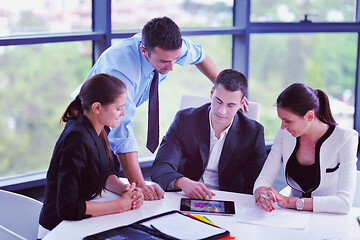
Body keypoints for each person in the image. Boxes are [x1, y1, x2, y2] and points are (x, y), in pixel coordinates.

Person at [72, 16, 224, 201]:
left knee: (115, 185)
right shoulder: (121, 71)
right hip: (90, 118)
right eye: (164, 62)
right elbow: (122, 133)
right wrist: (141, 186)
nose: (172, 67)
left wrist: (222, 89)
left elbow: (200, 55)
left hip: (113, 117)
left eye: (175, 59)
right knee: (92, 186)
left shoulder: (170, 48)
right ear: (144, 50)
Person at [38, 74, 144, 239]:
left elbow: (106, 173)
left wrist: (126, 191)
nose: (123, 113)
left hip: (81, 223)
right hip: (59, 229)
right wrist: (120, 205)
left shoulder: (99, 128)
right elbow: (67, 208)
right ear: (97, 107)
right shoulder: (76, 139)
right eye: (118, 108)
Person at [151, 69, 267, 199]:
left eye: (231, 105)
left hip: (229, 200)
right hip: (185, 196)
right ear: (212, 93)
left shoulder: (253, 132)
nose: (222, 111)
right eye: (218, 101)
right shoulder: (185, 120)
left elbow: (257, 182)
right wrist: (183, 182)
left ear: (241, 104)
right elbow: (160, 167)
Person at [254, 83, 358, 214]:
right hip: (292, 218)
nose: (282, 127)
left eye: (288, 121)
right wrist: (260, 192)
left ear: (309, 116)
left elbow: (344, 203)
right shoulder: (285, 134)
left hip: (328, 218)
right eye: (281, 120)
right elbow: (264, 178)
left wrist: (290, 202)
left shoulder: (346, 138)